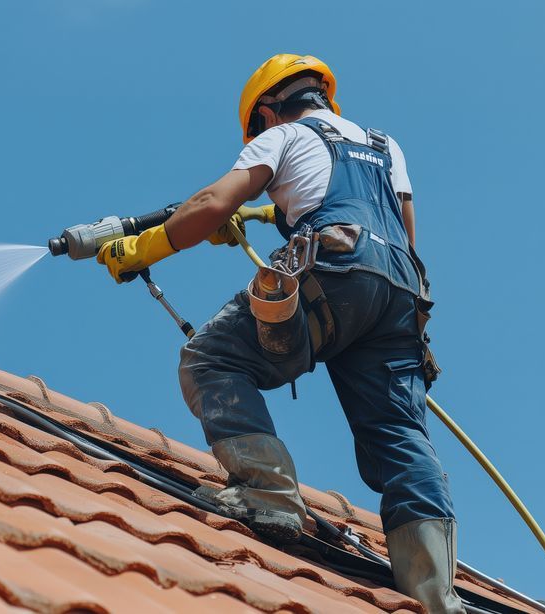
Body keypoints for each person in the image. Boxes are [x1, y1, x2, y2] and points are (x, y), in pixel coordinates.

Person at [94, 53, 462, 612]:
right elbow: (399, 231)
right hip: (400, 294)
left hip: (333, 269)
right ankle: (435, 593)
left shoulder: (283, 136)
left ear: (268, 112)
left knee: (212, 360)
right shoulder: (386, 146)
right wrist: (277, 214)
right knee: (398, 435)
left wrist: (143, 248)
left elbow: (212, 202)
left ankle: (268, 494)